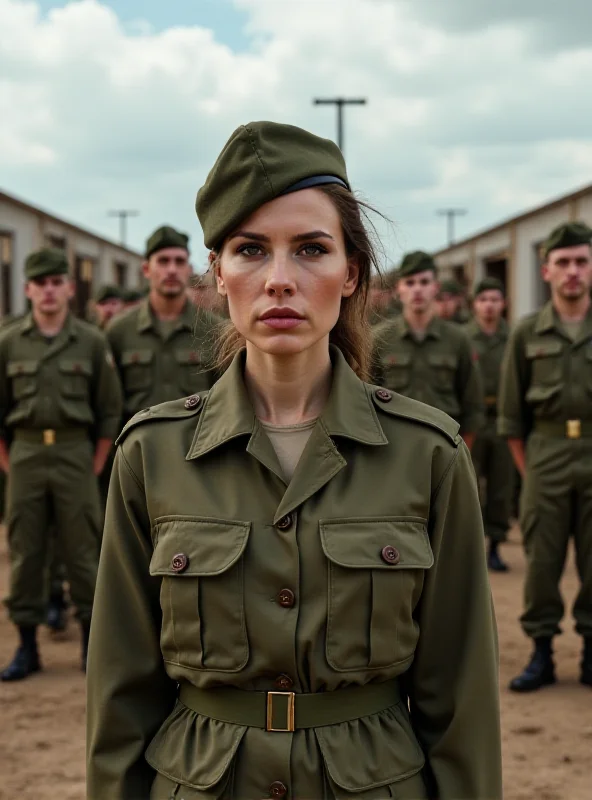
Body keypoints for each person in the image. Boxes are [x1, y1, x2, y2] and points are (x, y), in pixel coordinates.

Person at [87, 121, 501, 800]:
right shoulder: (152, 455)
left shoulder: (427, 454)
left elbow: (460, 701)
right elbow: (119, 694)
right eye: (251, 250)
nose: (280, 280)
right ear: (218, 273)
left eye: (311, 248)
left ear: (352, 274)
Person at [0, 248, 122, 681]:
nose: (49, 291)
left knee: (84, 551)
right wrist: (10, 462)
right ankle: (27, 648)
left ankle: (92, 648)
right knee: (26, 552)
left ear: (69, 289)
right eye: (41, 283)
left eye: (57, 283)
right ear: (28, 289)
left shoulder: (91, 341)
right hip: (27, 452)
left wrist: (96, 461)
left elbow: (109, 408)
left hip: (75, 453)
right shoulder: (9, 341)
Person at [499, 221, 592, 692]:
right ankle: (541, 653)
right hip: (546, 454)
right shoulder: (526, 333)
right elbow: (512, 418)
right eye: (564, 262)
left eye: (581, 261)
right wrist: (530, 473)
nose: (573, 271)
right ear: (547, 270)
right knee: (542, 563)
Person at [106, 226, 219, 424]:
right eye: (163, 261)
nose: (172, 270)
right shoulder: (119, 331)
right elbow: (108, 407)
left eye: (179, 261)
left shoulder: (215, 330)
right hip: (136, 449)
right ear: (146, 269)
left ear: (189, 269)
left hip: (196, 448)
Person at [372, 251, 484, 449]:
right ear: (399, 289)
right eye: (410, 282)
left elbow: (472, 405)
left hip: (445, 446)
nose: (417, 289)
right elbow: (365, 401)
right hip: (393, 447)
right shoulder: (379, 339)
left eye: (424, 282)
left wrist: (461, 452)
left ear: (435, 288)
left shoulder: (457, 339)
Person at [466, 277, 513, 572]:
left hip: (503, 421)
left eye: (495, 300)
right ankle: (468, 546)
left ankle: (495, 545)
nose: (489, 306)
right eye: (484, 300)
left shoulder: (514, 337)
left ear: (503, 304)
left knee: (501, 487)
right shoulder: (462, 338)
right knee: (468, 486)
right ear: (475, 305)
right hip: (472, 421)